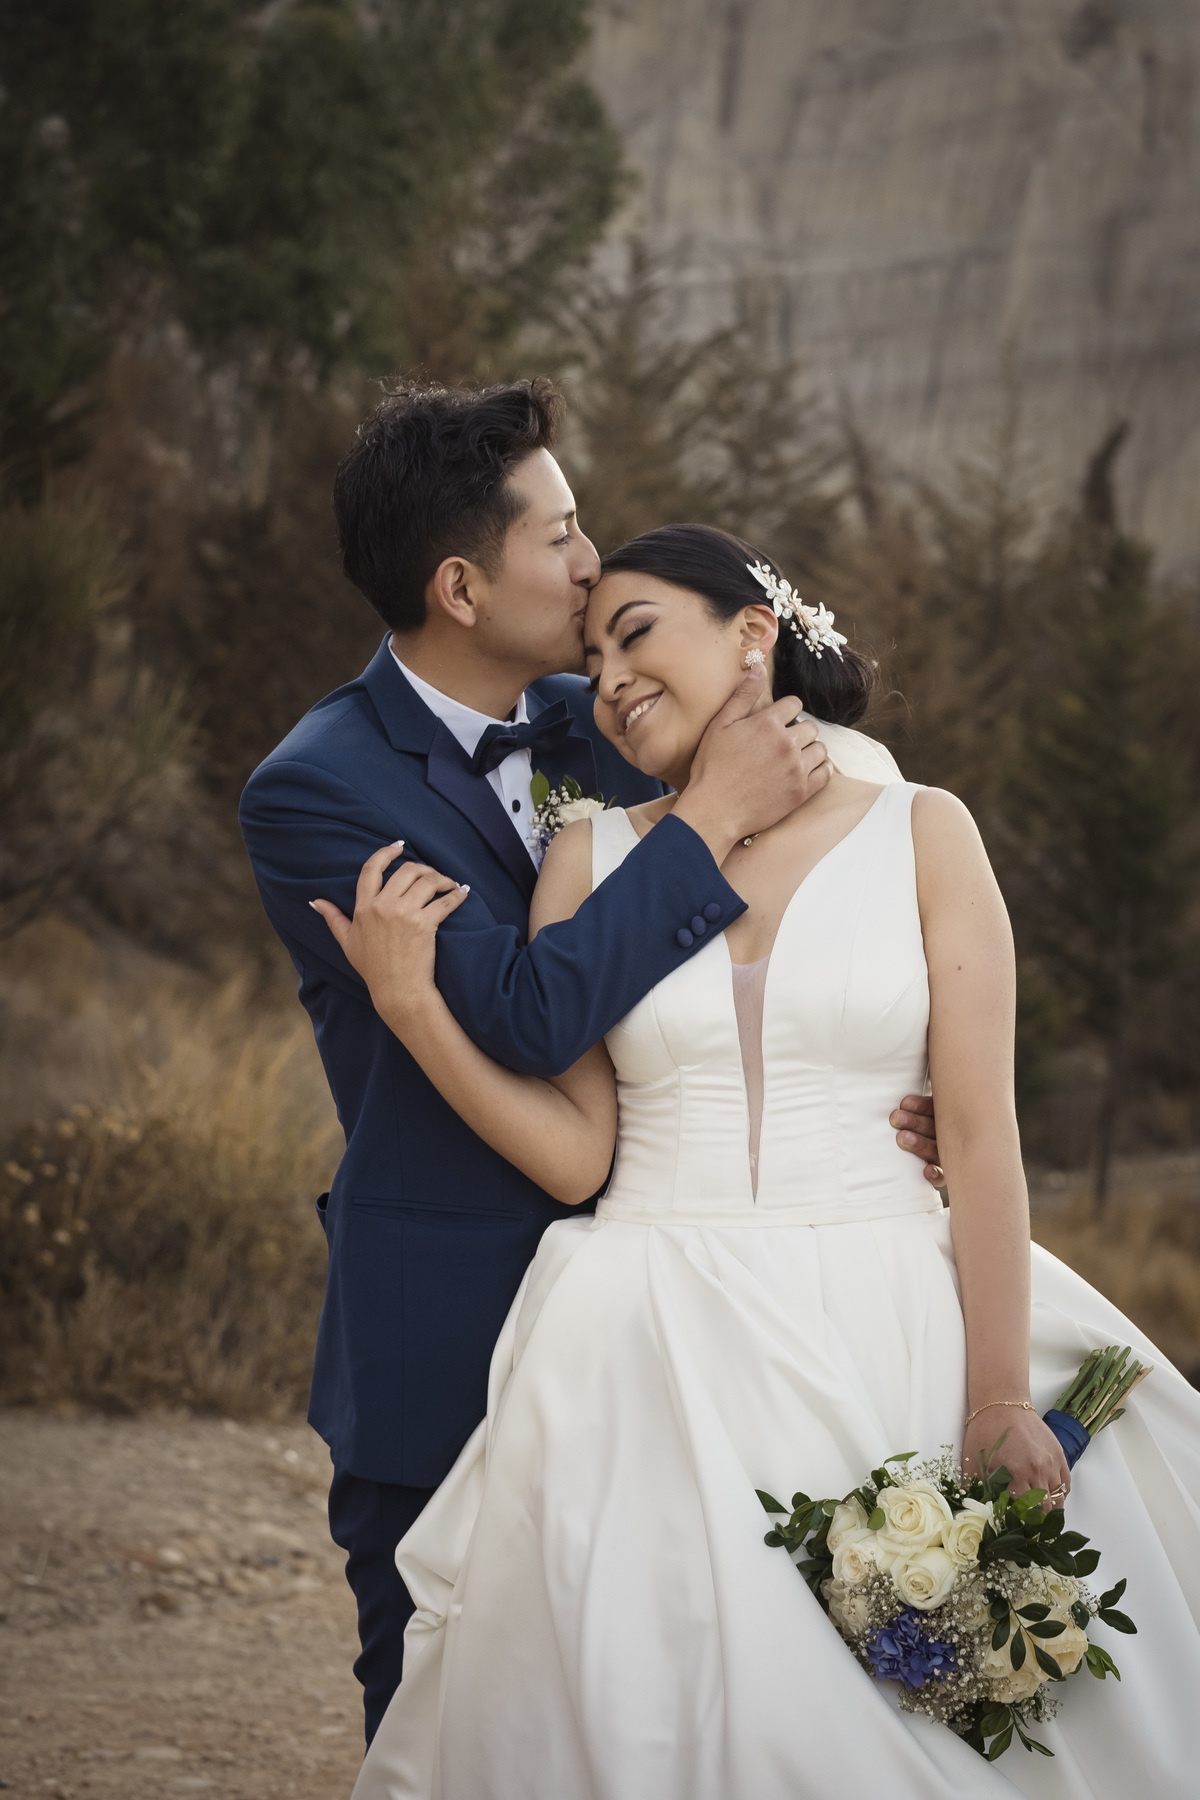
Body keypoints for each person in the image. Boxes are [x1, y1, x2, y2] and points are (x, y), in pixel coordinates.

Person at [317, 524, 1200, 1800]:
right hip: (643, 1345)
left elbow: (989, 1143)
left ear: (752, 632)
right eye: (592, 657)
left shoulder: (926, 832)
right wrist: (416, 1015)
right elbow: (576, 1158)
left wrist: (1000, 1398)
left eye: (637, 636)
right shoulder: (590, 856)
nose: (610, 679)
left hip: (889, 1322)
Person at [238, 382, 943, 1745]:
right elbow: (520, 1012)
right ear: (458, 583)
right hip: (452, 1321)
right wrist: (711, 824)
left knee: (675, 1705)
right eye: (560, 537)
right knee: (445, 1712)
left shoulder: (609, 714)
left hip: (675, 1318)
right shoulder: (314, 788)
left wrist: (879, 1091)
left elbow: (813, 901)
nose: (588, 563)